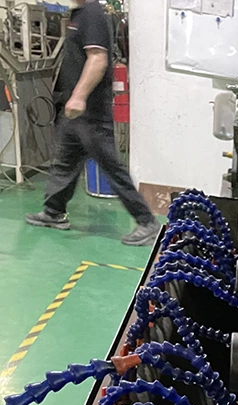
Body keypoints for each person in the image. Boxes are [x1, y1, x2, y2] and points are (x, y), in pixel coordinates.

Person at [26, 0, 160, 246]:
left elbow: (98, 59)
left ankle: (147, 222)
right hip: (76, 113)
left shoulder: (93, 13)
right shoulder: (79, 14)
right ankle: (54, 212)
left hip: (91, 112)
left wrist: (79, 96)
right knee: (65, 162)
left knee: (111, 167)